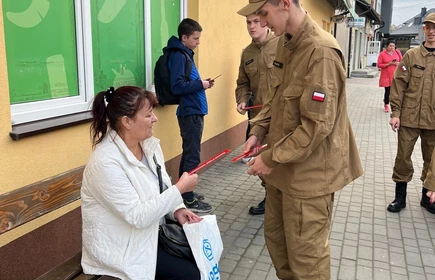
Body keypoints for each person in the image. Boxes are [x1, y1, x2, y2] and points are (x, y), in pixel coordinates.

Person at [237, 1, 363, 279]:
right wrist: (258, 132)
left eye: (264, 14)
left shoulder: (321, 52)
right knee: (279, 248)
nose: (262, 22)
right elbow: (275, 97)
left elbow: (316, 126)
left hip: (309, 177)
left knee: (307, 262)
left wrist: (269, 157)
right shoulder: (286, 43)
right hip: (282, 172)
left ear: (284, 4)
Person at [81, 86, 201, 280]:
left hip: (150, 233)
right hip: (121, 247)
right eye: (148, 114)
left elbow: (161, 187)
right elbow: (138, 217)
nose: (155, 118)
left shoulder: (148, 146)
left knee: (201, 255)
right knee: (189, 275)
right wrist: (180, 190)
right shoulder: (105, 162)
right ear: (127, 122)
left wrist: (177, 209)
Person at [387, 12, 435, 215]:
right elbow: (398, 84)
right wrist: (395, 113)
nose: (432, 31)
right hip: (409, 118)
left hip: (432, 120)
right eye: (428, 27)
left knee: (431, 160)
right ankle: (400, 197)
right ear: (423, 29)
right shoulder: (411, 56)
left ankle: (427, 198)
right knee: (403, 158)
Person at [166, 18, 213, 213]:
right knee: (192, 156)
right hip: (189, 113)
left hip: (194, 111)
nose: (198, 42)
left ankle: (184, 192)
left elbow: (187, 82)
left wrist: (202, 83)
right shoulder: (179, 56)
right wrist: (199, 84)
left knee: (189, 155)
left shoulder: (185, 54)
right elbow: (176, 86)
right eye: (195, 38)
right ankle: (187, 198)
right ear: (184, 37)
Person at [235, 12, 279, 215]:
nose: (252, 26)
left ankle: (280, 197)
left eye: (255, 21)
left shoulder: (281, 46)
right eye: (248, 22)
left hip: (280, 118)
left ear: (266, 22)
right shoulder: (247, 53)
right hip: (258, 118)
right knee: (261, 160)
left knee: (278, 160)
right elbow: (242, 83)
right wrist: (242, 100)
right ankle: (270, 196)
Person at [377, 40, 401, 113]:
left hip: (396, 75)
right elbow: (379, 65)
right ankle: (386, 104)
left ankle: (395, 105)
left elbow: (403, 61)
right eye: (390, 46)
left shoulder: (397, 52)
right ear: (387, 46)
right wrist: (388, 64)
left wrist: (398, 63)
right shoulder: (382, 54)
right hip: (386, 75)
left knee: (395, 91)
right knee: (388, 91)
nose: (392, 47)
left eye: (393, 46)